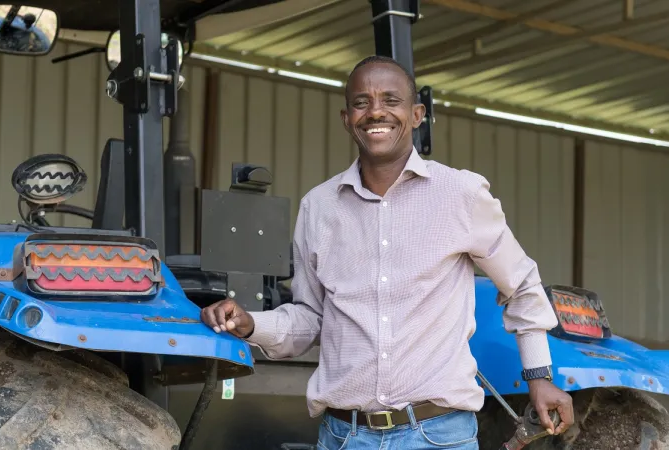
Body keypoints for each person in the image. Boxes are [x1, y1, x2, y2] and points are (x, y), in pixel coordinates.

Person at [201, 55, 574, 449]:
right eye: (362, 102)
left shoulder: (460, 195)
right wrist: (251, 324)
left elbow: (522, 285)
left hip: (437, 436)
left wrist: (539, 376)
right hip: (345, 437)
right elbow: (311, 319)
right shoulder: (319, 208)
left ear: (416, 115)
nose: (375, 111)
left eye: (390, 100)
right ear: (347, 119)